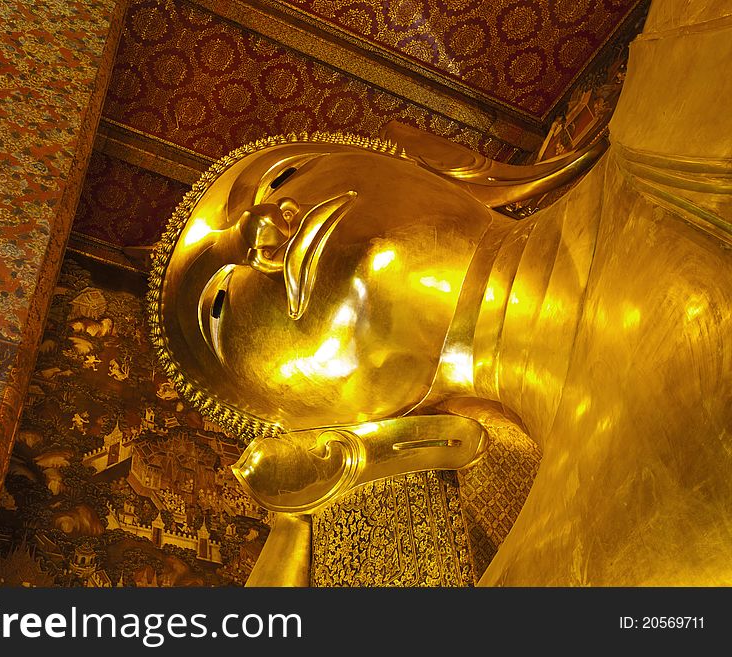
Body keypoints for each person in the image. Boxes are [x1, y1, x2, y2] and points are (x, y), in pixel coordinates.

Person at [148, 0, 732, 585]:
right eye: (221, 307)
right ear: (310, 425)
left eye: (280, 178)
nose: (259, 228)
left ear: (429, 159)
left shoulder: (684, 56)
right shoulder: (562, 565)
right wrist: (296, 520)